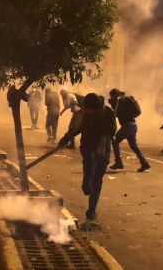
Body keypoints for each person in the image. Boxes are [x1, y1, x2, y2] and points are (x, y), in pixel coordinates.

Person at [58, 93, 116, 229]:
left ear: (96, 108)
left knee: (97, 181)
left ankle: (91, 211)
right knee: (88, 178)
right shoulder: (86, 113)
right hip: (88, 149)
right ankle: (87, 183)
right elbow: (77, 127)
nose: (86, 111)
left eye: (88, 110)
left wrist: (99, 124)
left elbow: (112, 131)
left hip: (102, 150)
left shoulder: (108, 113)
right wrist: (66, 138)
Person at [108, 89, 150, 172]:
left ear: (114, 95)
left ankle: (119, 162)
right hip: (133, 125)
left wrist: (112, 104)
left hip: (127, 126)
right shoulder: (125, 100)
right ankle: (144, 163)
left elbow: (115, 114)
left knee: (114, 141)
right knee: (134, 146)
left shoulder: (119, 101)